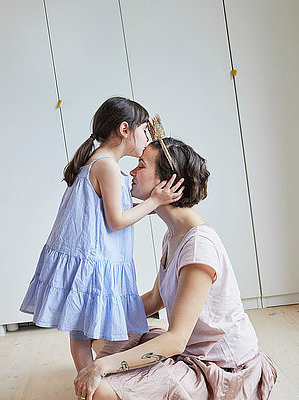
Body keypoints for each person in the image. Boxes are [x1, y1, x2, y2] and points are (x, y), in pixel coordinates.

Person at [73, 137, 277, 400]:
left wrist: (102, 365)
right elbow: (155, 299)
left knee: (100, 387)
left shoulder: (198, 245)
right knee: (105, 339)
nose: (132, 172)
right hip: (190, 352)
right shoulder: (174, 235)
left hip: (221, 370)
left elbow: (176, 339)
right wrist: (102, 322)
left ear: (167, 183)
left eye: (141, 166)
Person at [20, 97, 184, 373]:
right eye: (144, 130)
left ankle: (91, 380)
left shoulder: (99, 162)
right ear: (124, 130)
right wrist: (153, 202)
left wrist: (152, 206)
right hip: (93, 260)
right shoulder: (106, 165)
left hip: (91, 258)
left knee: (81, 334)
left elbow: (112, 210)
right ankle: (95, 383)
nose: (148, 137)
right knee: (84, 335)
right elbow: (117, 220)